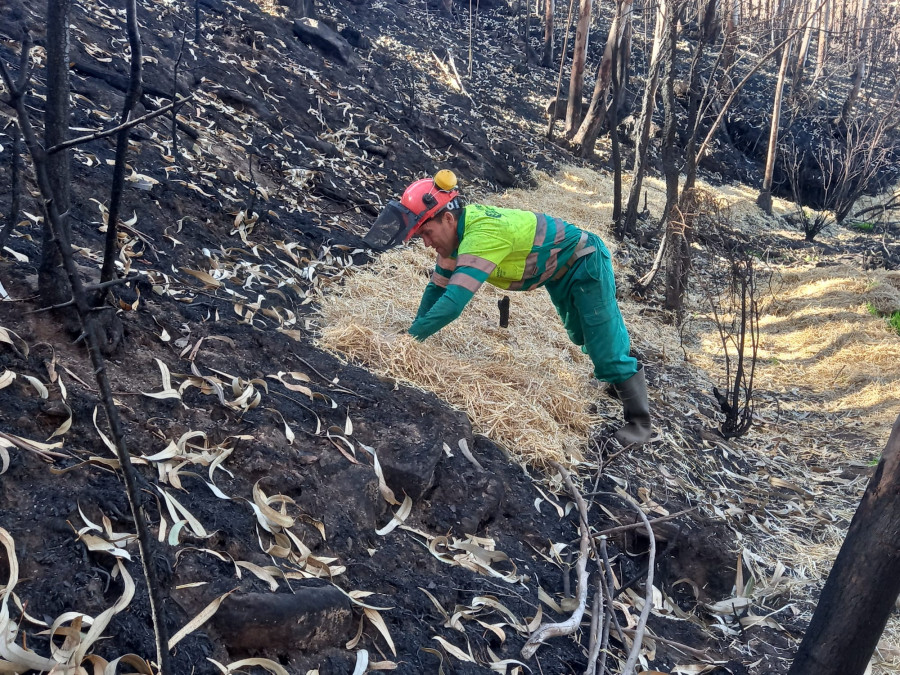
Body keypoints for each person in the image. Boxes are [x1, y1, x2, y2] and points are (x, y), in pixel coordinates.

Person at [364, 170, 651, 446]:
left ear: (448, 218)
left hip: (583, 261)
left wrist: (410, 339)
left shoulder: (481, 236)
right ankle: (619, 372)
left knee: (604, 347)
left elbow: (452, 304)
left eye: (426, 232)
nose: (426, 243)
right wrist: (412, 332)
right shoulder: (455, 240)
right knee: (582, 335)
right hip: (558, 273)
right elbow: (436, 290)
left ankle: (640, 423)